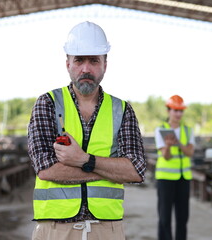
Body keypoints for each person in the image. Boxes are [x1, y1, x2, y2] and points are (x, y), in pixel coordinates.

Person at [27, 21, 146, 240]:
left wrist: (84, 160)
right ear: (68, 63)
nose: (86, 69)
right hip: (55, 230)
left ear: (105, 64)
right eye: (79, 60)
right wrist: (108, 170)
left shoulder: (121, 109)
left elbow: (136, 170)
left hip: (107, 231)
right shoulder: (47, 104)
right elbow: (46, 169)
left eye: (94, 61)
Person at [154, 95, 195, 240]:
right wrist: (169, 146)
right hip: (165, 178)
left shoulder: (188, 131)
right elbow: (166, 156)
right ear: (168, 111)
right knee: (164, 217)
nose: (178, 114)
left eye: (181, 111)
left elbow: (190, 152)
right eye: (175, 110)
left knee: (182, 217)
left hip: (184, 178)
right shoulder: (160, 130)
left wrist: (178, 143)